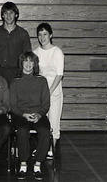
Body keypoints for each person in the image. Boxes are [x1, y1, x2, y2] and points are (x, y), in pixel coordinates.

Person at [10, 52, 51, 180]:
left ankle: (37, 165)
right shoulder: (15, 81)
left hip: (38, 113)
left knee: (45, 130)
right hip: (21, 114)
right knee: (22, 130)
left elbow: (46, 103)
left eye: (31, 61)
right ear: (21, 63)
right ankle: (23, 164)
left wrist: (39, 114)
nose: (28, 64)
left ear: (35, 64)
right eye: (25, 61)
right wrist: (24, 114)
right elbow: (12, 105)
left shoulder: (42, 80)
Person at [34, 22, 64, 158]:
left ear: (50, 35)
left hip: (54, 92)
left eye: (45, 34)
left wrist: (49, 91)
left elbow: (59, 74)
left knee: (53, 122)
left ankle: (51, 148)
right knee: (41, 123)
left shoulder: (57, 52)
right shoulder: (35, 52)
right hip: (39, 93)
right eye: (40, 34)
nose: (42, 37)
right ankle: (42, 148)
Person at [0, 1, 32, 85]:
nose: (8, 16)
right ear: (2, 15)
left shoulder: (23, 33)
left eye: (11, 13)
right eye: (6, 13)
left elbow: (27, 56)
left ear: (16, 15)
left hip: (17, 73)